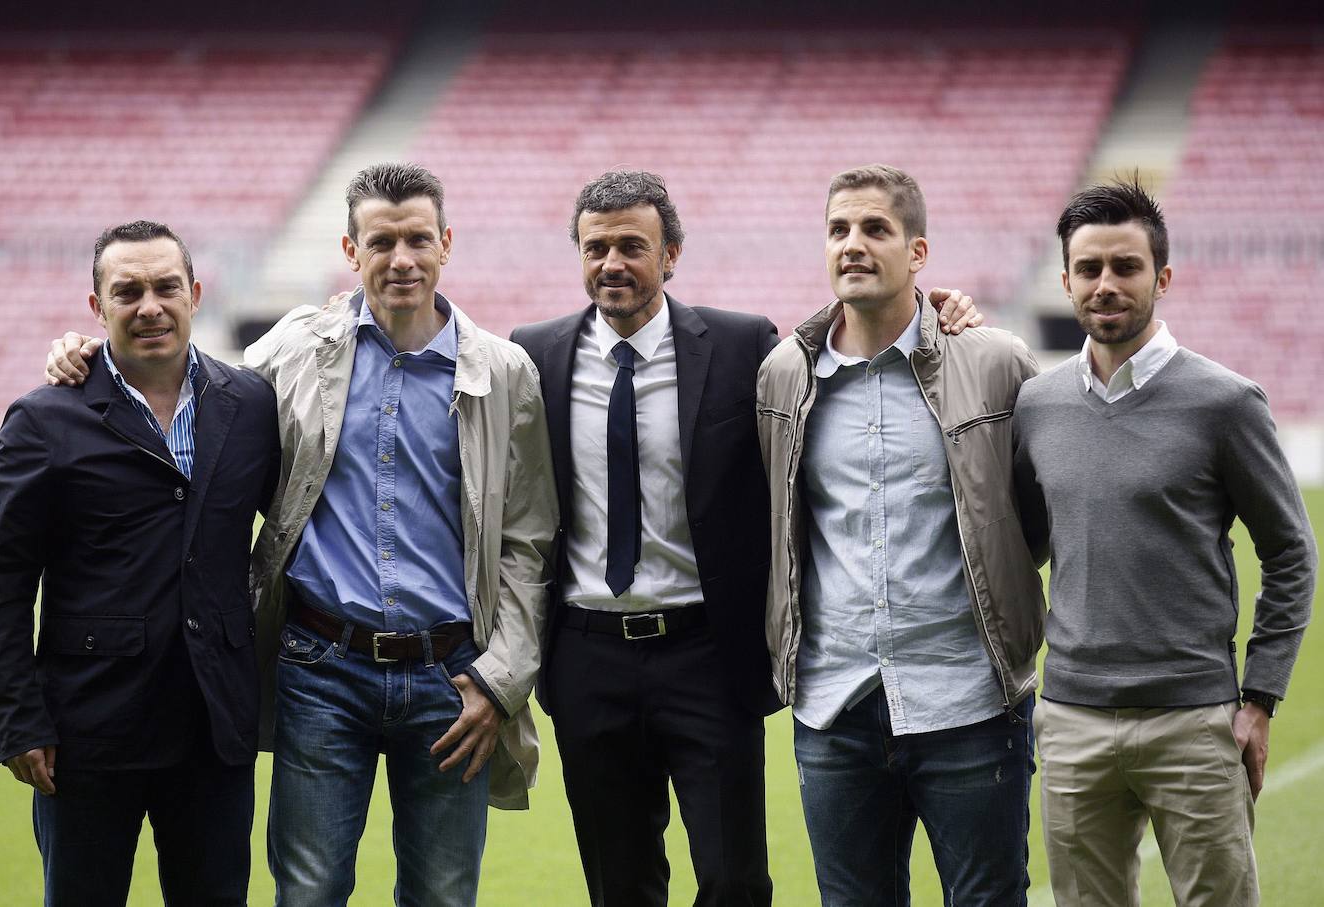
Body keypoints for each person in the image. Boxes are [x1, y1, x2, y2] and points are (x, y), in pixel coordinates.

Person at [42, 163, 559, 907]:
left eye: (418, 239)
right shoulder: (294, 350)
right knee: (309, 891)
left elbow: (528, 543)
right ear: (351, 251)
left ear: (446, 243)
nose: (402, 259)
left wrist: (499, 680)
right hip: (322, 669)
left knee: (445, 896)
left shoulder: (504, 373)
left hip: (452, 679)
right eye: (381, 242)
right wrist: (91, 353)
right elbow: (189, 385)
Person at [510, 169, 981, 907]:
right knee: (619, 886)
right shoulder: (534, 354)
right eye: (595, 248)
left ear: (671, 255)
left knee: (736, 882)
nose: (611, 264)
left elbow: (843, 343)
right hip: (587, 656)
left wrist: (940, 308)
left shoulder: (740, 346)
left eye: (632, 246)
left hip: (706, 655)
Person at [1013, 179, 1317, 907]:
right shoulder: (1037, 405)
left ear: (1163, 277)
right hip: (1072, 720)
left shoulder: (1225, 402)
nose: (1106, 284)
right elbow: (1022, 542)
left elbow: (1290, 552)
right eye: (1089, 269)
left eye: (1126, 266)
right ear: (1066, 281)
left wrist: (1260, 696)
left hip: (1194, 722)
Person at [757, 164, 1047, 905]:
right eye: (838, 229)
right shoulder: (784, 374)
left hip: (970, 703)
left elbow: (1034, 521)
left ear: (918, 252)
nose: (852, 244)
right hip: (835, 707)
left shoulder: (994, 361)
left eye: (875, 229)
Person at [0, 220, 281, 905]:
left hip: (214, 728)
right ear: (96, 306)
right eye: (127, 291)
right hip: (87, 732)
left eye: (166, 287)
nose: (150, 306)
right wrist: (17, 718)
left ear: (195, 293)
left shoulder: (252, 405)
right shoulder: (44, 420)